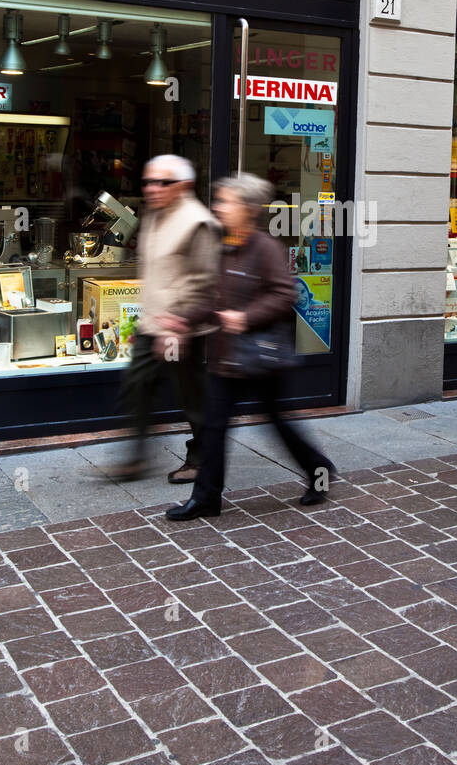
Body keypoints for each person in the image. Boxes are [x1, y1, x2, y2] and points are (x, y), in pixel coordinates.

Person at [162, 173, 335, 521]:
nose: (217, 207)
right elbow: (212, 298)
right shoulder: (224, 247)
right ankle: (207, 499)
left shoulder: (265, 247)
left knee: (278, 422)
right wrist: (185, 320)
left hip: (262, 357)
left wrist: (245, 317)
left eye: (225, 201)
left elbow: (285, 294)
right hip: (227, 357)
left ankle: (319, 470)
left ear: (247, 209)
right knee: (214, 427)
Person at [111, 155, 219, 483]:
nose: (153, 188)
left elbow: (207, 283)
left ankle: (201, 459)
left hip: (181, 327)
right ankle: (137, 458)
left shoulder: (198, 222)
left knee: (192, 398)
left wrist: (181, 326)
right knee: (137, 385)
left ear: (184, 185)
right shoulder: (155, 215)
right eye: (148, 182)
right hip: (152, 323)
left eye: (163, 182)